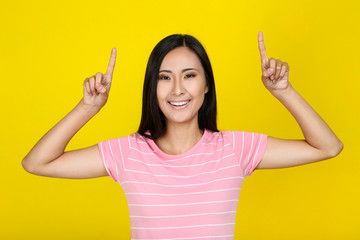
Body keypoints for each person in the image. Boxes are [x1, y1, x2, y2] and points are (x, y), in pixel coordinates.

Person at [22, 32, 343, 239]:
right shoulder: (128, 153)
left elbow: (328, 147)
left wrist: (283, 91)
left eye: (189, 75)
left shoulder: (235, 148)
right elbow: (36, 163)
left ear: (206, 86)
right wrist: (87, 107)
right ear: (153, 87)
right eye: (165, 77)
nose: (177, 89)